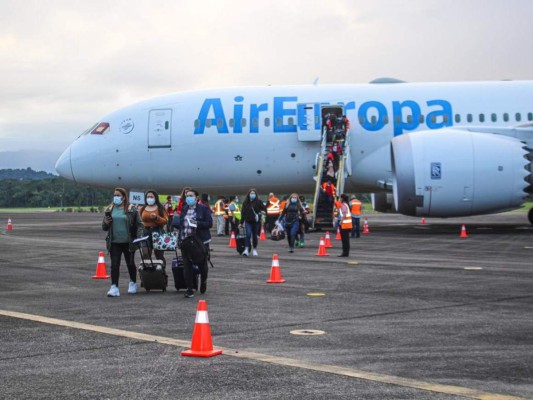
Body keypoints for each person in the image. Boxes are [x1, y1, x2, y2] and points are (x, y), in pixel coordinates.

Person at [102, 187, 144, 297]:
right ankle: (114, 287)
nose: (116, 197)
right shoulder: (109, 209)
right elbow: (104, 227)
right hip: (114, 241)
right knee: (114, 265)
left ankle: (133, 283)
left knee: (130, 263)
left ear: (124, 197)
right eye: (115, 195)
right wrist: (106, 223)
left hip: (128, 241)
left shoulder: (132, 209)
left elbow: (140, 224)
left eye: (118, 195)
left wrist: (139, 237)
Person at [173, 188, 212, 298]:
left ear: (196, 198)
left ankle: (203, 281)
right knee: (187, 265)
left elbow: (209, 223)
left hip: (199, 242)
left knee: (202, 265)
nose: (188, 198)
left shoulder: (203, 209)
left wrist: (197, 223)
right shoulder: (184, 208)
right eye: (187, 196)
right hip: (186, 241)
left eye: (191, 195)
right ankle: (189, 289)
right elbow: (182, 225)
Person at [140, 190, 168, 265]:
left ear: (155, 198)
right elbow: (141, 219)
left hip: (157, 232)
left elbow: (165, 221)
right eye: (148, 197)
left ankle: (162, 273)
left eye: (151, 197)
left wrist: (157, 218)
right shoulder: (143, 208)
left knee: (159, 256)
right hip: (146, 232)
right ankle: (148, 273)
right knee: (145, 254)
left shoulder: (160, 208)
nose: (149, 198)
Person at [239, 188, 267, 257]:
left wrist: (262, 212)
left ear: (256, 194)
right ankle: (246, 249)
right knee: (248, 234)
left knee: (255, 236)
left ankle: (254, 249)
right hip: (248, 221)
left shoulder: (258, 202)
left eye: (253, 193)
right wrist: (241, 222)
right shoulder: (245, 203)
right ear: (248, 194)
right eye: (251, 193)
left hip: (256, 222)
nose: (252, 195)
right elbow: (243, 213)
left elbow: (264, 209)